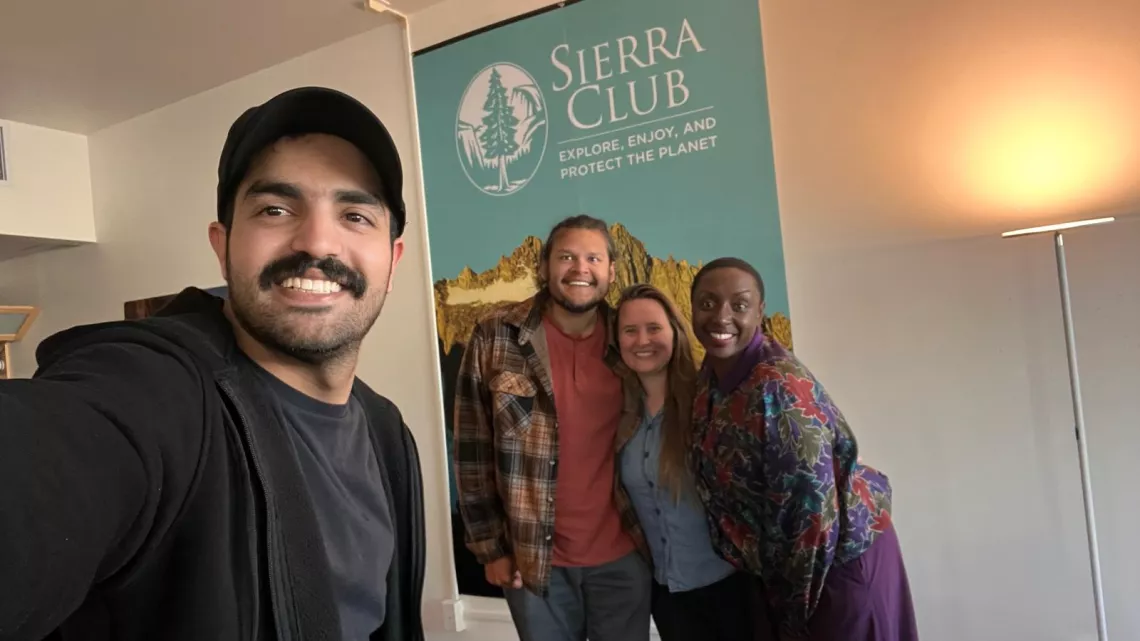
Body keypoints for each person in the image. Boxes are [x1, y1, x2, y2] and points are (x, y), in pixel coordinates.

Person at [0, 87, 426, 641]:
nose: (317, 239)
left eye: (355, 214)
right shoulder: (154, 393)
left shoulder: (386, 430)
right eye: (275, 209)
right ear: (222, 247)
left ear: (392, 258)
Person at [688, 257, 919, 641]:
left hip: (832, 568)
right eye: (708, 303)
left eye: (739, 305)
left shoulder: (778, 388)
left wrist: (791, 620)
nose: (721, 317)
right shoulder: (713, 374)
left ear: (760, 311)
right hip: (790, 572)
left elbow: (809, 520)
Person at [453, 215, 652, 641]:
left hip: (623, 558)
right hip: (534, 561)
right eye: (566, 257)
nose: (580, 269)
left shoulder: (631, 340)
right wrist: (490, 548)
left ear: (611, 272)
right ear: (543, 267)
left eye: (593, 258)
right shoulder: (496, 335)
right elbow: (471, 449)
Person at [612, 284, 754, 641]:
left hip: (732, 589)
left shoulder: (711, 402)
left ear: (675, 331)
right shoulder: (620, 416)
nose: (642, 340)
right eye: (630, 330)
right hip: (668, 596)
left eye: (654, 328)